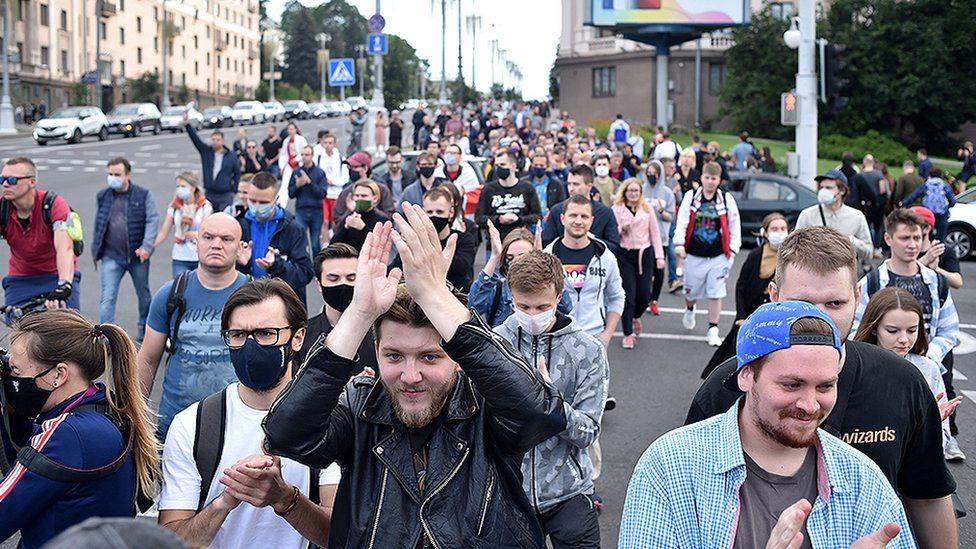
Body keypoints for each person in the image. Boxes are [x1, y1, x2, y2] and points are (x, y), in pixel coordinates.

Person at [262, 211, 567, 548]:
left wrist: (436, 298)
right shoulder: (359, 407)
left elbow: (541, 415)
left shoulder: (485, 406)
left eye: (430, 357)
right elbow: (286, 435)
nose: (410, 377)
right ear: (376, 351)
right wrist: (359, 314)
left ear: (459, 357)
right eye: (394, 356)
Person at [686, 226, 958, 548]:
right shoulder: (727, 386)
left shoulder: (903, 383)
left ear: (858, 297)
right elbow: (692, 496)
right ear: (774, 296)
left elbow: (928, 497)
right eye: (802, 302)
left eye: (834, 303)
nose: (819, 319)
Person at [621, 301, 915, 548]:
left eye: (825, 387)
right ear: (746, 376)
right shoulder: (670, 466)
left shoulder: (863, 480)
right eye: (791, 385)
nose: (810, 405)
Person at [158, 278, 341, 549]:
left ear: (298, 337)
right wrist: (225, 501)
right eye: (238, 335)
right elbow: (172, 542)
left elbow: (339, 536)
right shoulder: (193, 425)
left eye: (266, 333)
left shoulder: (331, 423)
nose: (251, 346)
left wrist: (284, 498)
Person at [0, 310, 159, 548]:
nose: (10, 377)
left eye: (16, 370)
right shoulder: (103, 406)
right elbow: (30, 466)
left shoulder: (68, 434)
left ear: (59, 374)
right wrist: (12, 412)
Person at [494, 251, 607, 548]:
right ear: (511, 296)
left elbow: (588, 432)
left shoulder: (588, 350)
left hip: (568, 492)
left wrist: (551, 404)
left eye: (542, 306)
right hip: (508, 490)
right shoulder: (496, 343)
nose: (532, 315)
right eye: (523, 306)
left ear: (559, 296)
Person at [853, 208, 961, 461]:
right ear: (889, 239)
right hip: (879, 370)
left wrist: (927, 356)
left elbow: (949, 327)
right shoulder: (871, 282)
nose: (912, 245)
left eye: (917, 238)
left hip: (928, 366)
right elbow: (858, 327)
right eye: (905, 238)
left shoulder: (936, 282)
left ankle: (947, 439)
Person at [138, 213, 251, 438]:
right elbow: (148, 359)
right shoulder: (169, 294)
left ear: (240, 248)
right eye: (208, 237)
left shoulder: (256, 296)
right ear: (196, 242)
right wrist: (133, 416)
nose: (216, 244)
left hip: (238, 425)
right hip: (176, 424)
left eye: (226, 239)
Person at [853, 287, 961, 448]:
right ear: (874, 328)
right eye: (892, 330)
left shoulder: (928, 368)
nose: (904, 339)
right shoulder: (855, 365)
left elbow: (943, 440)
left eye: (912, 330)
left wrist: (931, 425)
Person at [703, 213, 788, 378]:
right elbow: (741, 285)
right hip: (754, 309)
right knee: (735, 350)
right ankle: (721, 381)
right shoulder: (756, 255)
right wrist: (740, 316)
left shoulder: (792, 257)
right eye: (775, 229)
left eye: (783, 229)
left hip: (778, 311)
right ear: (765, 232)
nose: (779, 232)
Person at [673, 161, 742, 347]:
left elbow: (735, 225)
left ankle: (713, 329)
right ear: (701, 178)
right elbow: (682, 221)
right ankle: (690, 308)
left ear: (719, 180)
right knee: (691, 290)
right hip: (694, 255)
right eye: (707, 178)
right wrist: (679, 244)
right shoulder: (692, 196)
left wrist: (733, 250)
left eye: (714, 179)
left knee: (716, 292)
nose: (710, 182)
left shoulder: (726, 199)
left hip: (718, 256)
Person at [0, 157, 81, 311]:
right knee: (17, 330)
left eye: (12, 179)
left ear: (32, 182)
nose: (5, 184)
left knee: (70, 330)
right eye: (2, 179)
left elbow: (65, 248)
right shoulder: (2, 208)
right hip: (21, 278)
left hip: (56, 274)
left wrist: (63, 284)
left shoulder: (53, 204)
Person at [545, 194, 625, 347]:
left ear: (591, 221)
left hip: (594, 336)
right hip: (555, 337)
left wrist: (606, 335)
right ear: (562, 219)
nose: (578, 221)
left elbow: (617, 296)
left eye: (584, 216)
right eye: (573, 215)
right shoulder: (547, 256)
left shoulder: (605, 257)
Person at [93, 157, 159, 341]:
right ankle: (105, 338)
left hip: (137, 256)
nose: (113, 178)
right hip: (111, 256)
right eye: (110, 174)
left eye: (117, 174)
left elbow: (152, 220)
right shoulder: (103, 196)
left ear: (128, 175)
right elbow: (99, 223)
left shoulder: (143, 194)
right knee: (107, 297)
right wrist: (95, 250)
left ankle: (144, 327)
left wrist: (147, 246)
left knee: (143, 294)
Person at [236, 173, 314, 303]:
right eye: (253, 201)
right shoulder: (239, 225)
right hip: (247, 302)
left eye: (263, 203)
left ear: (276, 199)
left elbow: (305, 273)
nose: (257, 207)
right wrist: (240, 264)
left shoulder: (293, 229)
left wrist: (276, 265)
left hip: (281, 304)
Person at [297, 243, 377, 370]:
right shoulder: (303, 337)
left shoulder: (378, 333)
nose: (343, 284)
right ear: (319, 284)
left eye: (351, 278)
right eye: (334, 279)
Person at [612, 178, 664, 349]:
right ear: (624, 192)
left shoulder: (647, 209)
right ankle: (628, 333)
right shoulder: (617, 209)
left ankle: (636, 316)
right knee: (629, 295)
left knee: (644, 296)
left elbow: (655, 233)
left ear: (641, 193)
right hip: (625, 255)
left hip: (644, 254)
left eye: (636, 191)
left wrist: (659, 257)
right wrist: (621, 229)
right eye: (630, 190)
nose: (633, 194)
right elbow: (612, 233)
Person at [794, 168, 874, 263]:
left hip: (844, 274)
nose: (823, 191)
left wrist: (850, 241)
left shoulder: (856, 216)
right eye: (821, 187)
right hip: (814, 272)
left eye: (828, 188)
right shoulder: (807, 215)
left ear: (842, 191)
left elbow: (869, 252)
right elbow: (794, 248)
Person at [543, 164, 621, 254]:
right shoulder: (557, 210)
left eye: (576, 184)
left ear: (589, 186)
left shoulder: (605, 212)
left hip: (595, 263)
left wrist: (591, 238)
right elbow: (546, 242)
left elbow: (614, 247)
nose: (571, 189)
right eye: (569, 184)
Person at [154, 171, 214, 278]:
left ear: (193, 188)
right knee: (180, 289)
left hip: (198, 257)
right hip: (180, 257)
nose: (180, 189)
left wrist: (195, 234)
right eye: (178, 186)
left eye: (183, 186)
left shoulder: (204, 207)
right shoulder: (174, 207)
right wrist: (149, 247)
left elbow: (207, 231)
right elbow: (163, 232)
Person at [475, 149, 543, 242]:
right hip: (495, 242)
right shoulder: (488, 189)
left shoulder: (527, 188)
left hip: (521, 242)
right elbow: (479, 218)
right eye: (496, 166)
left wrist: (519, 219)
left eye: (502, 165)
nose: (499, 168)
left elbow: (537, 216)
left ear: (513, 166)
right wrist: (498, 219)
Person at [420, 185, 477, 291]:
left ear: (451, 213)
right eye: (429, 212)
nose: (434, 216)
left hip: (456, 299)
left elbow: (462, 268)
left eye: (439, 212)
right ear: (423, 212)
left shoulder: (463, 239)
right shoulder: (417, 240)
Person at [184, 114, 240, 212]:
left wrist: (234, 190)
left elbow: (237, 173)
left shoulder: (231, 155)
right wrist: (187, 124)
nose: (215, 142)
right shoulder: (206, 152)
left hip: (225, 194)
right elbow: (195, 139)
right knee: (208, 218)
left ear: (222, 141)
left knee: (222, 219)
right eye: (213, 139)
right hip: (210, 193)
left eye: (218, 140)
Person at [642, 160, 675, 314]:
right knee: (646, 270)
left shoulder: (667, 193)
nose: (651, 176)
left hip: (661, 238)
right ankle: (645, 297)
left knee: (659, 270)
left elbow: (671, 217)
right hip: (643, 237)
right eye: (648, 173)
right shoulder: (641, 190)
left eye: (654, 174)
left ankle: (654, 300)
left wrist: (662, 211)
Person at [287, 146, 328, 256]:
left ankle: (317, 267)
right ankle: (303, 267)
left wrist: (309, 182)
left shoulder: (320, 173)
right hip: (301, 211)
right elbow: (290, 193)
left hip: (316, 211)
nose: (304, 157)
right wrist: (297, 185)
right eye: (303, 155)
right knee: (300, 240)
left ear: (312, 156)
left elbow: (322, 194)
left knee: (315, 243)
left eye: (307, 155)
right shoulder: (296, 172)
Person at [912, 206, 964, 290]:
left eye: (913, 225)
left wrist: (937, 269)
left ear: (927, 228)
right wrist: (925, 260)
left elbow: (957, 282)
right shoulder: (901, 248)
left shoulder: (942, 250)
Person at [331, 180, 390, 253]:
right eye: (357, 195)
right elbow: (333, 245)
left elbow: (380, 245)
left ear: (375, 198)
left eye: (364, 196)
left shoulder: (382, 219)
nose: (359, 199)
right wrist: (345, 227)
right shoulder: (350, 217)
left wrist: (363, 228)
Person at [898, 168, 956, 242]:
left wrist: (903, 202)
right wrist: (946, 207)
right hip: (941, 214)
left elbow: (915, 195)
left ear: (930, 175)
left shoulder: (927, 185)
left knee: (925, 235)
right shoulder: (944, 186)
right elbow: (953, 201)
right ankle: (939, 251)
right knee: (940, 237)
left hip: (928, 214)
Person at [312, 132, 348, 235]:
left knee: (335, 221)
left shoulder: (340, 158)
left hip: (336, 194)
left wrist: (334, 182)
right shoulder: (318, 158)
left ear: (334, 144)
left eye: (330, 143)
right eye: (325, 143)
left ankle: (334, 240)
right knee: (324, 221)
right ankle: (325, 244)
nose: (328, 145)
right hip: (323, 194)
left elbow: (345, 177)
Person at [277, 123, 307, 208]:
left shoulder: (301, 140)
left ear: (296, 130)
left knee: (302, 185)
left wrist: (297, 159)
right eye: (289, 129)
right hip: (290, 165)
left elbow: (305, 151)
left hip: (299, 165)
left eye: (292, 129)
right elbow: (283, 154)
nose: (290, 131)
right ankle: (281, 205)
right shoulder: (286, 141)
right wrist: (282, 166)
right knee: (284, 185)